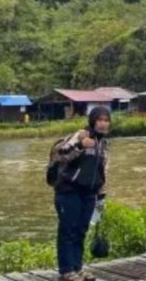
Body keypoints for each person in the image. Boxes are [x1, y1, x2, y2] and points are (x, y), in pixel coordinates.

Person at [52, 106, 111, 281]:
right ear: (93, 121)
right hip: (69, 191)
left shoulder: (104, 144)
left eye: (106, 120)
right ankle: (66, 270)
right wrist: (79, 146)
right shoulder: (80, 135)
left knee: (81, 231)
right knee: (68, 231)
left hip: (89, 193)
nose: (103, 123)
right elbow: (60, 155)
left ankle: (77, 268)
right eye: (100, 120)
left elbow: (102, 171)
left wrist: (100, 195)